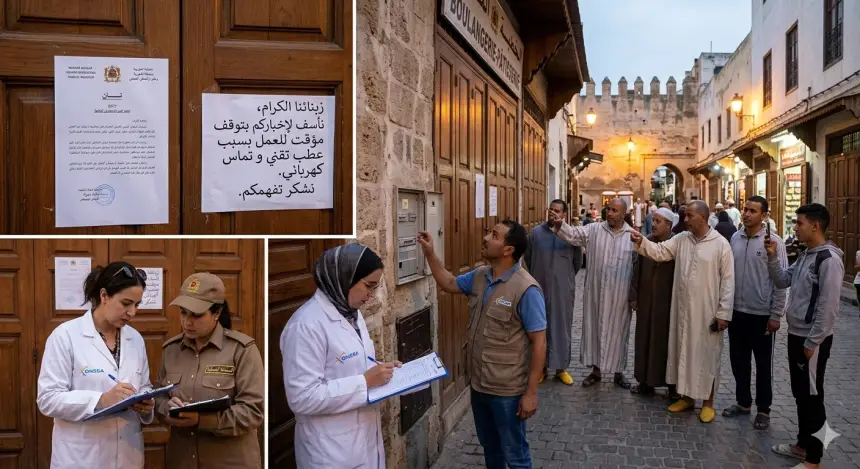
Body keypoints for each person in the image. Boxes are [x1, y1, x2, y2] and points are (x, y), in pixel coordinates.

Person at [419, 222, 546, 469]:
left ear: (508, 250)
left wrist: (530, 394)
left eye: (494, 235)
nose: (486, 238)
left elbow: (539, 343)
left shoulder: (526, 289)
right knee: (491, 449)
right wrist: (430, 254)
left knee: (516, 455)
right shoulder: (480, 276)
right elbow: (450, 283)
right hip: (479, 384)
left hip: (507, 391)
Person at [281, 244, 397, 469]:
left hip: (364, 442)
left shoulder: (352, 314)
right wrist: (364, 382)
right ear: (345, 276)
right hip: (330, 452)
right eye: (368, 286)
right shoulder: (305, 326)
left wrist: (383, 370)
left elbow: (354, 364)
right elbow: (302, 397)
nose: (371, 296)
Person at [37, 262, 154, 469]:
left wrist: (146, 403)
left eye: (137, 304)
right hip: (81, 458)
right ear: (104, 296)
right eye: (126, 303)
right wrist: (101, 399)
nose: (132, 312)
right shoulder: (66, 336)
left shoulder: (135, 339)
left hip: (128, 456)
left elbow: (144, 385)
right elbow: (48, 399)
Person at [630, 201, 734, 424]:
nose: (685, 220)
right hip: (682, 310)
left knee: (707, 357)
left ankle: (708, 402)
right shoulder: (681, 240)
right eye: (685, 216)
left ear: (704, 218)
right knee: (683, 353)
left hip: (707, 313)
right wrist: (642, 242)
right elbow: (659, 252)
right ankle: (687, 398)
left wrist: (723, 313)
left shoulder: (721, 245)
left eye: (690, 216)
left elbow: (728, 281)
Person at [156, 273, 265, 469]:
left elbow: (253, 412)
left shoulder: (241, 350)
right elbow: (158, 399)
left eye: (196, 315)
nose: (187, 322)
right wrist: (167, 409)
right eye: (183, 312)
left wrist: (202, 421)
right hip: (181, 461)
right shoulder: (170, 350)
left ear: (216, 313)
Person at [766, 204, 843, 469]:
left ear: (815, 226)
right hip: (797, 334)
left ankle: (814, 459)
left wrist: (813, 341)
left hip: (812, 340)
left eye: (799, 223)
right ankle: (802, 444)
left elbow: (828, 306)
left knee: (812, 396)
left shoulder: (828, 260)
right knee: (801, 393)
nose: (795, 227)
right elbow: (782, 281)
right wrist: (773, 257)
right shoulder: (807, 254)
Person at [551, 198, 636, 389]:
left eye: (615, 210)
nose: (610, 213)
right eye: (608, 209)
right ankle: (595, 371)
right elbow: (573, 235)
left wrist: (634, 295)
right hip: (596, 292)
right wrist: (559, 223)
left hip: (619, 296)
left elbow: (638, 265)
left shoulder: (632, 236)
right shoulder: (594, 230)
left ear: (624, 214)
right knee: (594, 330)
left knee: (619, 333)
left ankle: (618, 372)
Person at [722, 196, 788, 431]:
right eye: (745, 209)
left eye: (752, 211)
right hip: (737, 312)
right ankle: (743, 402)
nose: (746, 214)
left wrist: (776, 315)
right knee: (738, 361)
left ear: (764, 216)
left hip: (761, 314)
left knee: (762, 365)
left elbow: (781, 281)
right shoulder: (735, 238)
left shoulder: (774, 242)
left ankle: (763, 409)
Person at [524, 200, 582, 386]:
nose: (553, 214)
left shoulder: (570, 236)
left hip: (563, 290)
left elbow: (577, 262)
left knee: (561, 328)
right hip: (539, 289)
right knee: (540, 328)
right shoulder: (535, 234)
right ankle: (541, 368)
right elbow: (528, 258)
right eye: (551, 210)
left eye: (557, 211)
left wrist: (563, 278)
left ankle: (561, 369)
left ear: (564, 215)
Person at [628, 207, 678, 399]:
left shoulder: (676, 244)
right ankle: (645, 382)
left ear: (669, 225)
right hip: (647, 301)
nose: (654, 224)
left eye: (659, 221)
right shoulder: (645, 242)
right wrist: (634, 296)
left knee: (667, 342)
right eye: (654, 220)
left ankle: (672, 385)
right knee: (644, 340)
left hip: (667, 304)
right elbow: (636, 271)